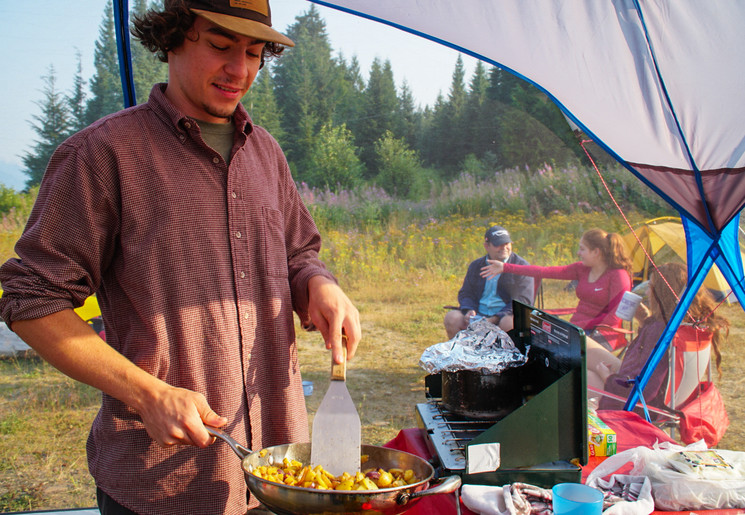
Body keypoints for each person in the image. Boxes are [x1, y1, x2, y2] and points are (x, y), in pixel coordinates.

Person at [0, 1, 360, 513]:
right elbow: (31, 300)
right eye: (219, 46)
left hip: (281, 474)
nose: (240, 70)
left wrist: (318, 284)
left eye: (255, 53)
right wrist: (146, 393)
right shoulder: (102, 154)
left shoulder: (267, 154)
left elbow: (298, 252)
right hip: (161, 485)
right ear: (173, 37)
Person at [590, 262, 729, 411]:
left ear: (661, 294)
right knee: (584, 344)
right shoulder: (687, 325)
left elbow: (645, 391)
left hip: (637, 405)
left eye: (651, 287)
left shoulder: (659, 330)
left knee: (583, 375)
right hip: (654, 394)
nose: (648, 293)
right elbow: (651, 364)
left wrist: (607, 378)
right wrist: (645, 321)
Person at [480, 228, 632, 351]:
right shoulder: (582, 269)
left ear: (596, 252)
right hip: (577, 330)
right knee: (539, 349)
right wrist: (505, 267)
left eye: (582, 249)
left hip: (604, 334)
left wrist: (581, 328)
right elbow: (544, 271)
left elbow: (614, 317)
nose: (578, 253)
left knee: (570, 358)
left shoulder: (618, 276)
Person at [444, 225, 535, 338]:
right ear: (487, 246)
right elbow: (466, 293)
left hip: (505, 315)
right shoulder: (476, 266)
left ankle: (506, 354)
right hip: (478, 314)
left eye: (507, 244)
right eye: (498, 245)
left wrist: (495, 317)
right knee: (452, 318)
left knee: (510, 323)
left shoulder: (521, 266)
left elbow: (523, 300)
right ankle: (461, 352)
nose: (504, 248)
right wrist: (469, 309)